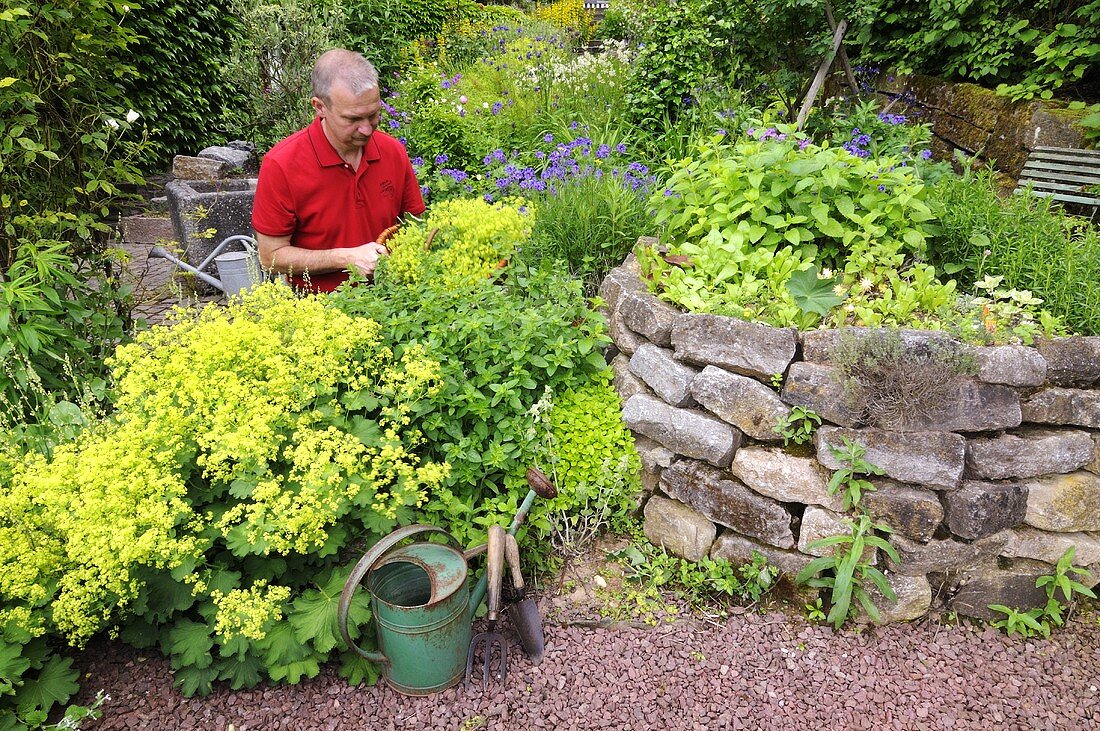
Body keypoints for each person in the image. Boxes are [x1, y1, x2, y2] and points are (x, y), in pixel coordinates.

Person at [251, 49, 425, 293]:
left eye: (373, 115)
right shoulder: (282, 165)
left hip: (396, 304)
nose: (366, 129)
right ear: (320, 107)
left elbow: (416, 227)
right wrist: (345, 258)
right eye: (353, 119)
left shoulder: (393, 152)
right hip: (321, 312)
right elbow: (271, 257)